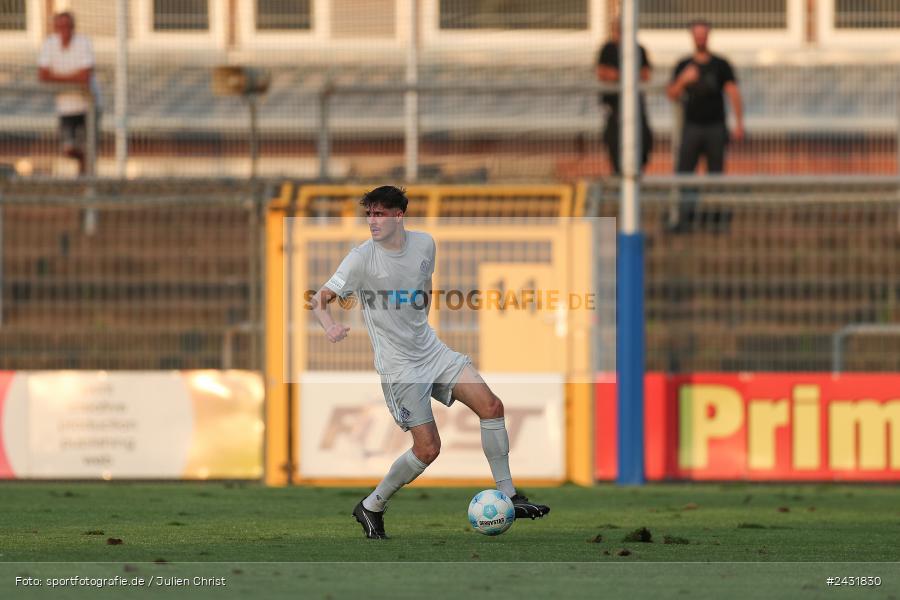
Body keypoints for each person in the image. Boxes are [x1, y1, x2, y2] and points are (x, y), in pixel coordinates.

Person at [310, 186, 551, 539]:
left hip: (432, 352)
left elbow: (421, 288)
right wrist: (330, 326)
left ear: (399, 216)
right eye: (369, 214)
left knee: (492, 406)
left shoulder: (425, 245)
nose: (372, 221)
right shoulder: (361, 259)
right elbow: (320, 299)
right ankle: (371, 505)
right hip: (400, 368)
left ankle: (511, 496)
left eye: (380, 214)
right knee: (428, 448)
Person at [667, 19, 744, 174]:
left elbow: (733, 93)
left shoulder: (721, 64)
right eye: (697, 35)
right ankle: (686, 199)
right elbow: (672, 94)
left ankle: (715, 199)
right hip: (691, 126)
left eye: (703, 34)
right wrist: (683, 80)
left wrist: (739, 123)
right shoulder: (684, 64)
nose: (700, 38)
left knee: (716, 172)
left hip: (716, 126)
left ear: (708, 36)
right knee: (684, 171)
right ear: (692, 37)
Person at [38, 11, 100, 176]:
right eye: (60, 26)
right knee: (68, 148)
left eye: (67, 26)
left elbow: (85, 76)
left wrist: (57, 77)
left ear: (73, 27)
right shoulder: (49, 44)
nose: (64, 30)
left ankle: (86, 185)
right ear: (55, 28)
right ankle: (85, 180)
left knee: (88, 147)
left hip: (88, 105)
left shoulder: (83, 43)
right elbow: (43, 75)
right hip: (65, 106)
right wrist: (73, 78)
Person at [596, 19, 653, 175]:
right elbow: (603, 73)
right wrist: (628, 76)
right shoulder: (608, 49)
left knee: (643, 142)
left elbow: (646, 75)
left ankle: (636, 176)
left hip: (636, 108)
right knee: (615, 144)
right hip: (615, 108)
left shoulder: (638, 49)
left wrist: (620, 76)